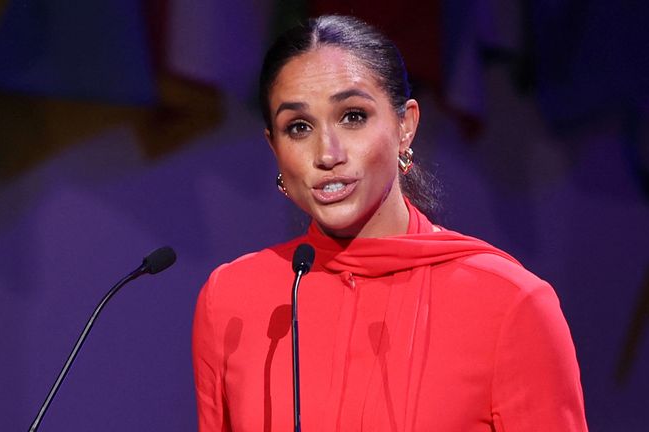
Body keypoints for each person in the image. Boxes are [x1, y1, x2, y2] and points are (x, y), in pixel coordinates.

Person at [192, 15, 588, 432]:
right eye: (299, 127)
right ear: (274, 146)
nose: (327, 153)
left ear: (405, 126)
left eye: (353, 117)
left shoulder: (510, 304)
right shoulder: (231, 302)